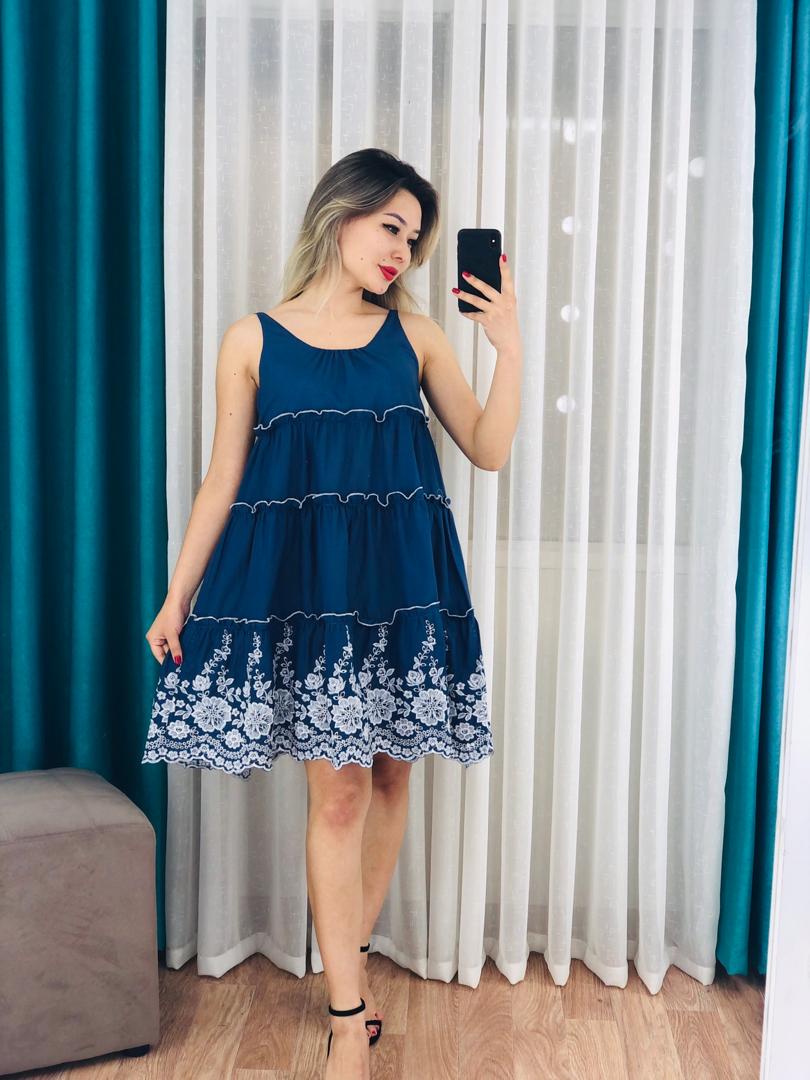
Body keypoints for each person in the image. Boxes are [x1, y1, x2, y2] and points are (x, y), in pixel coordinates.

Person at [141, 147, 522, 1078]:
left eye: (415, 239)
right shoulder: (251, 340)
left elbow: (486, 447)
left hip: (403, 586)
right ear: (339, 213)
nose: (402, 251)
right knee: (340, 792)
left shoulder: (417, 336)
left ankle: (347, 966)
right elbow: (222, 479)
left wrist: (510, 346)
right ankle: (349, 1019)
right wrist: (177, 595)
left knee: (390, 780)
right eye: (391, 226)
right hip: (310, 595)